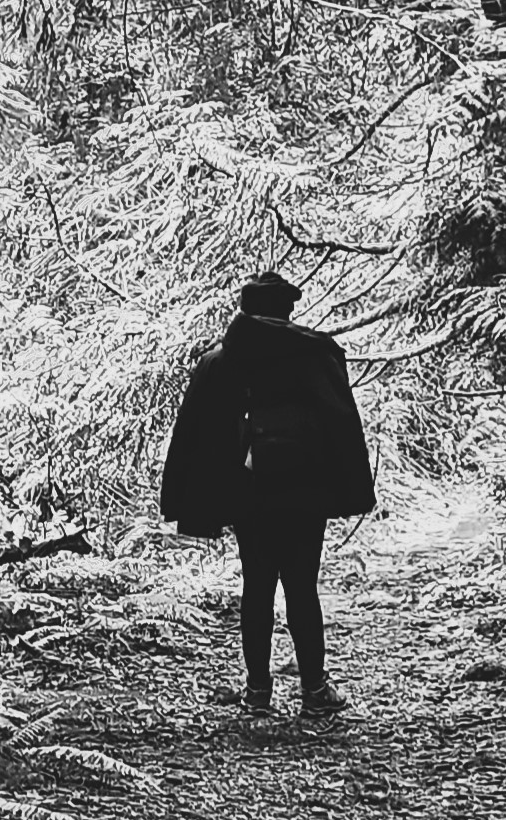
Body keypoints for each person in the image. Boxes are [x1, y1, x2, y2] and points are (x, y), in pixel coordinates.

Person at [160, 270, 376, 716]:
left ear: (246, 309)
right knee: (302, 587)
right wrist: (348, 489)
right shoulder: (315, 355)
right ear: (287, 309)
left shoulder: (219, 362)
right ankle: (314, 691)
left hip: (249, 494)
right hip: (304, 491)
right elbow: (341, 425)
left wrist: (193, 496)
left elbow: (194, 433)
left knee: (257, 586)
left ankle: (258, 692)